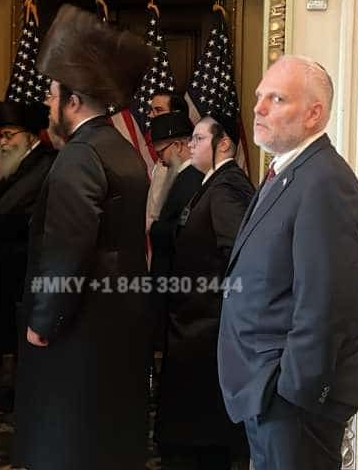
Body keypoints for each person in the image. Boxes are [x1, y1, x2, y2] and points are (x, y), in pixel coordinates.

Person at [12, 4, 153, 470]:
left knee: (68, 447)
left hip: (78, 335)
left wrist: (44, 320)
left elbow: (67, 250)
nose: (47, 104)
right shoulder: (120, 149)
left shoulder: (80, 155)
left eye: (52, 94)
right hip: (115, 328)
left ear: (73, 101)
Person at [218, 55, 358, 470]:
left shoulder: (324, 181)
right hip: (265, 390)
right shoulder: (289, 173)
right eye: (259, 97)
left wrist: (292, 392)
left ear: (313, 114)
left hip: (290, 401)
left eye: (277, 99)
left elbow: (325, 304)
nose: (259, 108)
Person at [158, 115, 253, 469]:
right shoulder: (212, 182)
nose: (191, 145)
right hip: (197, 327)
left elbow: (239, 258)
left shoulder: (226, 187)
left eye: (199, 139)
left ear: (223, 143)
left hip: (208, 330)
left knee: (207, 442)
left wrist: (213, 306)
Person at [0, 99, 56, 403]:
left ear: (30, 136)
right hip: (7, 265)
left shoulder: (46, 164)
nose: (3, 142)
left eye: (9, 135)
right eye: (0, 135)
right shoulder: (15, 164)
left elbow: (9, 213)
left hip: (28, 266)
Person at [147, 110, 200, 278]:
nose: (161, 160)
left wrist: (154, 227)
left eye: (160, 153)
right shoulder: (183, 177)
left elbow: (187, 233)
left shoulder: (192, 179)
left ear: (177, 145)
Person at [147, 90, 191, 231]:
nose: (151, 115)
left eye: (158, 110)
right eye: (151, 110)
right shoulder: (163, 158)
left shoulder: (185, 162)